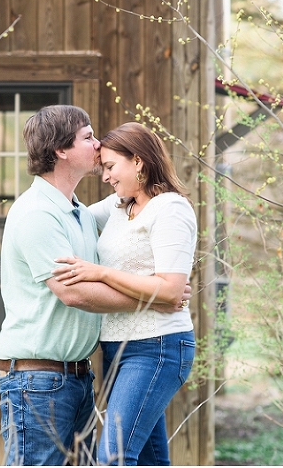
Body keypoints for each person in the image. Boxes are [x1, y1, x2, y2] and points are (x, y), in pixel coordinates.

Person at [0, 106, 186, 466]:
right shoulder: (38, 213)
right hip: (37, 380)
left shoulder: (79, 211)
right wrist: (152, 298)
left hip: (77, 377)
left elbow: (138, 208)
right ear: (60, 151)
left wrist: (162, 288)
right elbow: (73, 292)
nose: (98, 145)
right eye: (88, 136)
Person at [52, 122, 197, 466]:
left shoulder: (170, 209)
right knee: (148, 459)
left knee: (113, 457)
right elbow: (72, 217)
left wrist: (100, 272)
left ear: (139, 162)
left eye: (110, 167)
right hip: (117, 349)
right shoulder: (119, 206)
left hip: (158, 346)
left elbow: (171, 289)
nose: (105, 177)